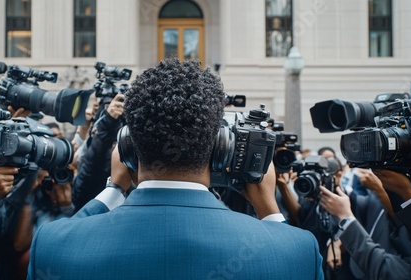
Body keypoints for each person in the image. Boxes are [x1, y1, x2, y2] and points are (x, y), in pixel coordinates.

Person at [28, 58, 323, 279]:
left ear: (127, 146)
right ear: (222, 146)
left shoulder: (54, 245)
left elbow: (70, 233)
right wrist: (269, 208)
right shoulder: (295, 252)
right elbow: (287, 251)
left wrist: (113, 190)